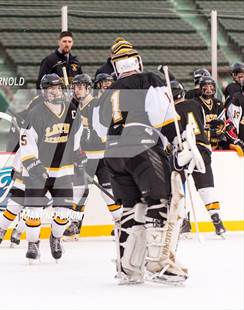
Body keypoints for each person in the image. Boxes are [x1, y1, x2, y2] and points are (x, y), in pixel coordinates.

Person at [93, 38, 200, 284]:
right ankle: (158, 262)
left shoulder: (105, 94)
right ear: (137, 61)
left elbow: (100, 130)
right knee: (161, 200)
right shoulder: (149, 80)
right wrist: (178, 145)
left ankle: (128, 268)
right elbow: (163, 117)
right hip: (142, 146)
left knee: (131, 207)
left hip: (113, 154)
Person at [21, 73, 83, 262]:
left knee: (63, 212)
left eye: (57, 88)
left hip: (63, 170)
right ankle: (33, 243)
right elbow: (26, 143)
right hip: (38, 172)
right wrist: (34, 166)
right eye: (50, 89)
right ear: (44, 92)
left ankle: (55, 238)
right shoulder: (34, 114)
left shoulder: (72, 111)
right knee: (33, 213)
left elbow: (77, 134)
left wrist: (78, 154)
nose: (54, 92)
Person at [63, 73, 121, 240]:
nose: (77, 89)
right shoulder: (74, 107)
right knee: (79, 191)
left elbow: (105, 128)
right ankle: (75, 225)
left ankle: (121, 223)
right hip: (83, 157)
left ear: (88, 88)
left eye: (80, 86)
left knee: (107, 191)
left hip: (102, 157)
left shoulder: (97, 105)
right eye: (75, 86)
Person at [171, 80, 226, 237]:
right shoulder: (196, 105)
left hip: (184, 151)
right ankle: (217, 220)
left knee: (177, 187)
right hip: (202, 148)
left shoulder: (172, 110)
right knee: (206, 187)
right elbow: (201, 126)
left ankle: (183, 222)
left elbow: (172, 136)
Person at [194, 76, 225, 149]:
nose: (208, 89)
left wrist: (220, 130)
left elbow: (223, 123)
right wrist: (208, 133)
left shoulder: (218, 103)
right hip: (201, 143)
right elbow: (193, 126)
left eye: (211, 86)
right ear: (200, 88)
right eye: (205, 86)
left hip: (217, 142)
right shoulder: (195, 103)